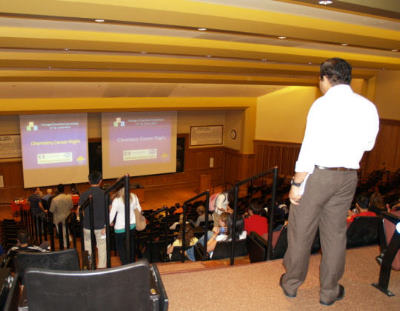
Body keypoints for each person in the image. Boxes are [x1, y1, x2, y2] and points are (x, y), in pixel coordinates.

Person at [280, 58, 379, 306]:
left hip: (319, 175)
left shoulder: (321, 106)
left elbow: (309, 148)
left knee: (301, 231)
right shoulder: (368, 107)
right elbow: (369, 145)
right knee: (334, 235)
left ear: (324, 78)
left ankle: (291, 284)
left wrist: (296, 183)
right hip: (348, 178)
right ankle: (329, 292)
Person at [78, 171, 108, 269]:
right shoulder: (105, 194)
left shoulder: (83, 195)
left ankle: (89, 267)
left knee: (87, 247)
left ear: (88, 181)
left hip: (87, 225)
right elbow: (110, 210)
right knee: (102, 247)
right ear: (100, 181)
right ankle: (102, 268)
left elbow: (79, 211)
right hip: (101, 227)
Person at [109, 187, 141, 265]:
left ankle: (125, 265)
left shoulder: (117, 200)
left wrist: (108, 223)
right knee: (131, 246)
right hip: (132, 226)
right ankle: (132, 264)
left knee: (121, 249)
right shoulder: (134, 196)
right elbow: (139, 209)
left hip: (120, 229)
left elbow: (112, 215)